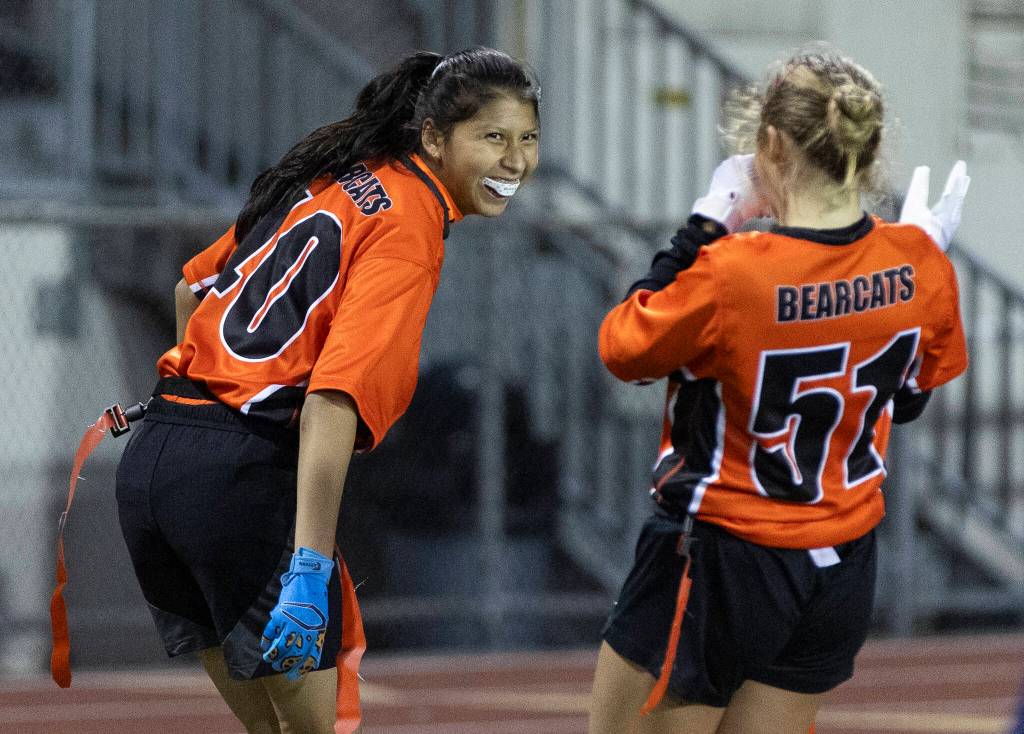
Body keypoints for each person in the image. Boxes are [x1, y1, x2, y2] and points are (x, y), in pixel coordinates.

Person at [114, 47, 540, 734]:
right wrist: (308, 567)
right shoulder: (409, 222)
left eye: (528, 139)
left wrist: (195, 413)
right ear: (432, 135)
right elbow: (333, 398)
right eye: (492, 137)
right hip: (238, 481)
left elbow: (191, 291)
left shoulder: (338, 176)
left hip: (155, 463)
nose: (515, 161)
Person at [588, 49, 970, 734]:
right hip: (843, 560)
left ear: (769, 142)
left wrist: (705, 223)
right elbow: (906, 400)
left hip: (724, 552)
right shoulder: (920, 262)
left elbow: (624, 346)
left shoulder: (733, 271)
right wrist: (920, 262)